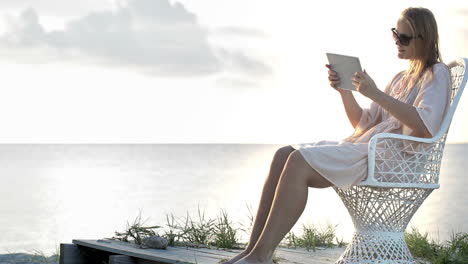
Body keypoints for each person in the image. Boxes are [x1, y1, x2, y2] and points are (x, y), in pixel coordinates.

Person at [223, 7, 451, 264]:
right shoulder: (401, 77)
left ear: (425, 38)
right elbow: (364, 123)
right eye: (395, 34)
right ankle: (251, 251)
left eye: (405, 38)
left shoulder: (436, 74)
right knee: (284, 153)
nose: (397, 42)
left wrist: (374, 93)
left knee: (299, 162)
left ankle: (261, 257)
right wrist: (346, 91)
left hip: (390, 160)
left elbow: (426, 126)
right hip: (368, 148)